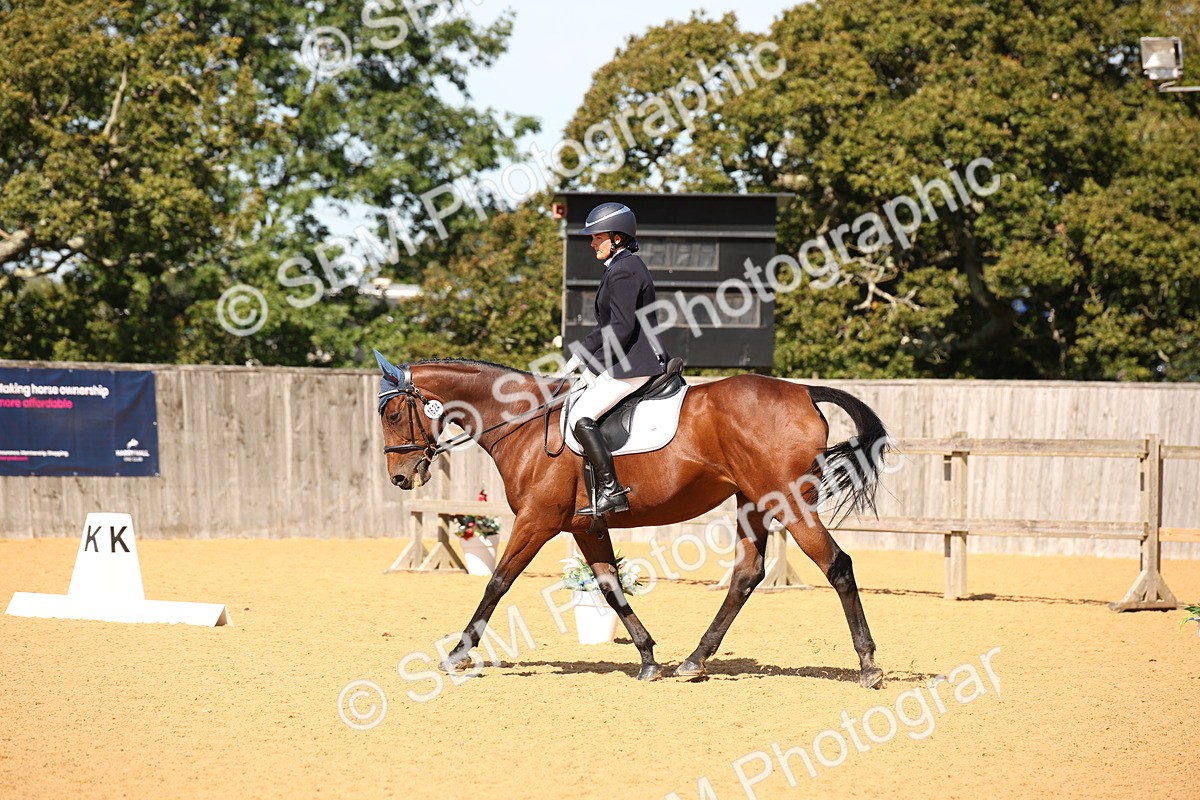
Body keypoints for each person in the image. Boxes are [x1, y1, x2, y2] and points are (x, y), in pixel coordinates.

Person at [560, 202, 667, 517]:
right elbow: (604, 328)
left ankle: (612, 490)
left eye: (597, 236)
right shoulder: (622, 268)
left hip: (634, 364)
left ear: (617, 238)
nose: (592, 242)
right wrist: (580, 354)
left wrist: (593, 367)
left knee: (581, 417)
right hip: (628, 360)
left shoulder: (624, 271)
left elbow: (621, 328)